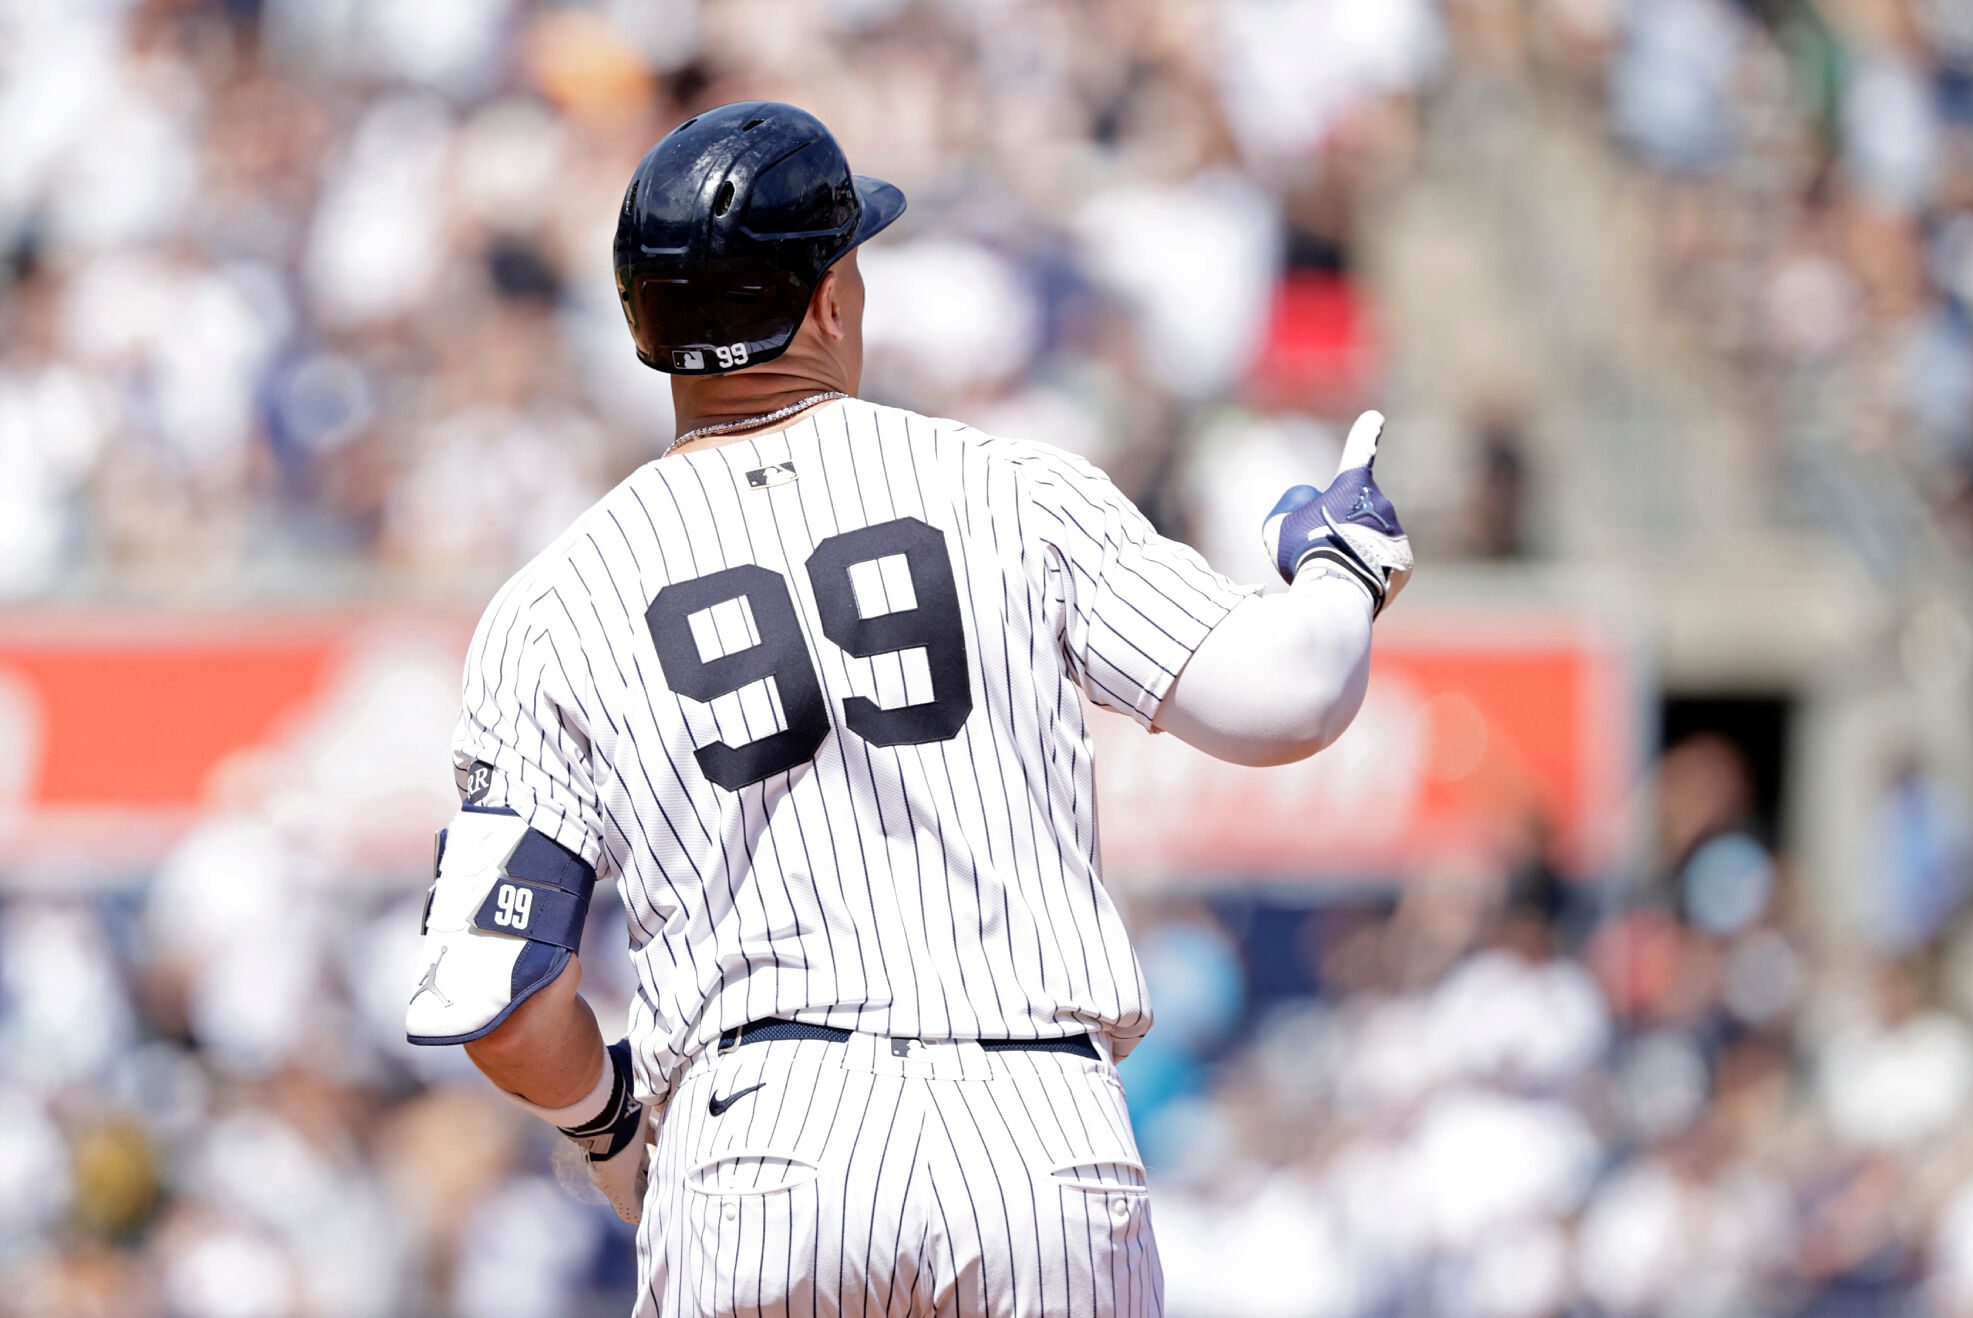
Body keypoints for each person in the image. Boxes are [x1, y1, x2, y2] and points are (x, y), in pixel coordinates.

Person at [405, 100, 1410, 1318]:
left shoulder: (556, 598)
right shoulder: (1004, 485)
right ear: (828, 300)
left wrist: (613, 1130)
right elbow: (1290, 696)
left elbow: (500, 995)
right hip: (1035, 1135)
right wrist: (1342, 566)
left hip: (760, 1141)